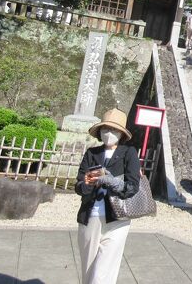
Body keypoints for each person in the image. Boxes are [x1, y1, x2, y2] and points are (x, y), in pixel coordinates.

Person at [75, 108, 140, 284]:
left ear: (121, 133)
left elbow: (132, 187)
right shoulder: (92, 153)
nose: (109, 133)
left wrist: (109, 180)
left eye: (114, 130)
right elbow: (79, 185)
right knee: (88, 271)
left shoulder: (129, 153)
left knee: (102, 274)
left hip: (117, 219)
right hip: (90, 216)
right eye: (105, 129)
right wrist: (87, 183)